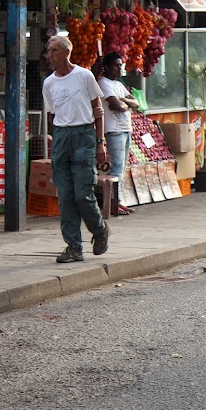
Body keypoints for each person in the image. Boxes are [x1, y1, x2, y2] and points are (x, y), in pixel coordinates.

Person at [43, 35, 110, 263]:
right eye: (49, 51)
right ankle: (73, 246)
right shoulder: (49, 83)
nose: (50, 55)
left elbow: (98, 110)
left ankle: (99, 230)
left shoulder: (84, 75)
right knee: (66, 197)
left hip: (83, 135)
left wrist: (100, 142)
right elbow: (54, 114)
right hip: (61, 136)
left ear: (65, 53)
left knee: (83, 194)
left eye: (54, 51)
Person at [98, 52, 139, 216]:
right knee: (117, 167)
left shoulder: (119, 85)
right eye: (116, 65)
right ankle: (116, 202)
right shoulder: (104, 83)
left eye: (121, 65)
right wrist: (125, 102)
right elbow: (117, 106)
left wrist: (125, 101)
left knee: (121, 168)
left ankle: (119, 201)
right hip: (114, 130)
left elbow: (135, 103)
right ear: (107, 67)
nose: (120, 68)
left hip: (125, 128)